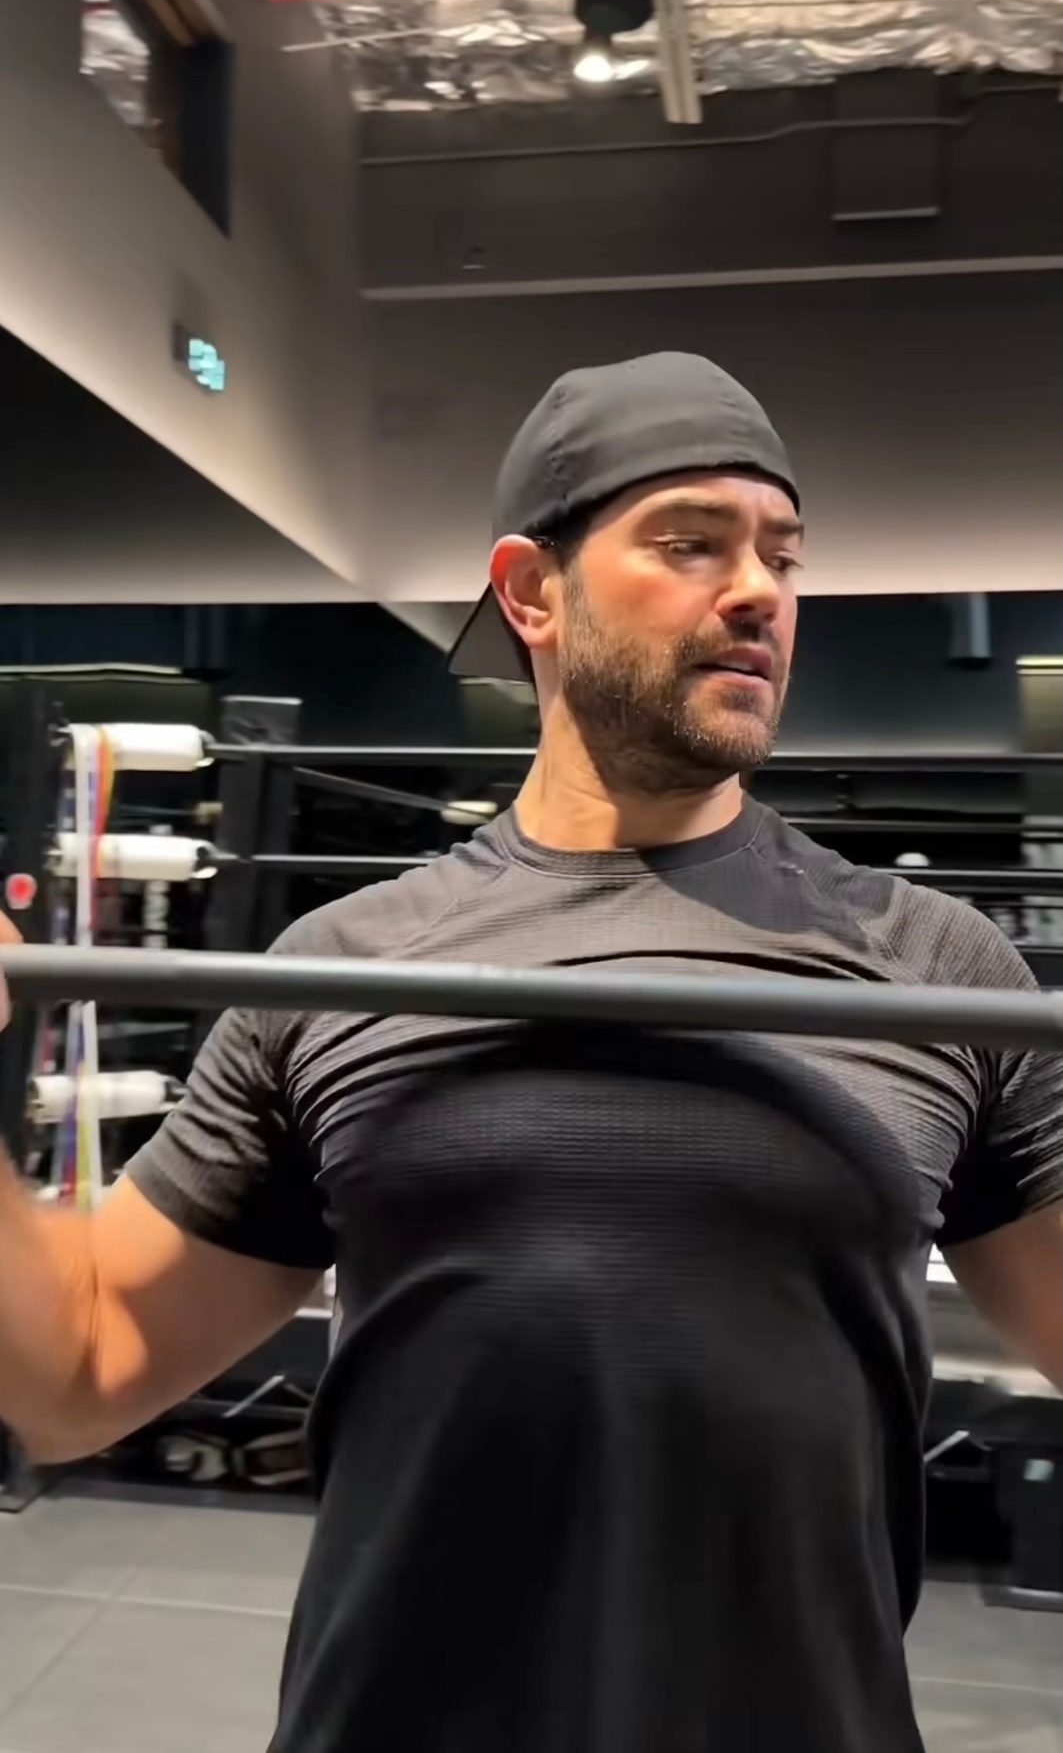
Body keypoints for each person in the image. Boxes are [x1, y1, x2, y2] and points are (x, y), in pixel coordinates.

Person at [1, 351, 1061, 1753]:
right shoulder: (347, 966)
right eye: (691, 542)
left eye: (783, 553)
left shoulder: (933, 963)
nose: (759, 590)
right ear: (531, 591)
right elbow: (80, 1368)